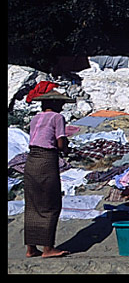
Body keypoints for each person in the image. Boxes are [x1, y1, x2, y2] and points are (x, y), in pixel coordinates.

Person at [24, 90, 74, 258]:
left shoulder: (35, 118)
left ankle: (31, 248)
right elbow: (60, 143)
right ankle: (48, 248)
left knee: (32, 204)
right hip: (46, 160)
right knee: (50, 204)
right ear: (55, 104)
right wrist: (67, 147)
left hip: (31, 160)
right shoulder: (57, 118)